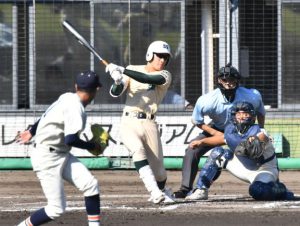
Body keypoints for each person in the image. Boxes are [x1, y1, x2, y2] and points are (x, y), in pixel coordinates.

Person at [15, 70, 103, 226]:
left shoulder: (67, 97)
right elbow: (71, 140)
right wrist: (92, 145)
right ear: (96, 90)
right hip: (46, 158)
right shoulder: (75, 107)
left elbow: (46, 115)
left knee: (91, 185)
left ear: (76, 86)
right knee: (56, 208)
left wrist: (31, 131)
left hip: (60, 153)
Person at [173, 64, 266, 199]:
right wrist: (216, 134)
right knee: (192, 150)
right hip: (217, 128)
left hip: (245, 129)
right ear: (218, 81)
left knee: (260, 150)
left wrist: (260, 130)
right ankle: (185, 189)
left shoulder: (252, 95)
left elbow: (260, 113)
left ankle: (268, 180)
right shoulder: (207, 100)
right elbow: (197, 121)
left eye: (232, 80)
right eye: (224, 80)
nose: (228, 83)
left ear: (238, 81)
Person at [105, 40, 174, 204]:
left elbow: (147, 78)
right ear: (150, 55)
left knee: (160, 173)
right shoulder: (132, 69)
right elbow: (116, 92)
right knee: (137, 151)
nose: (162, 60)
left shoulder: (165, 75)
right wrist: (117, 80)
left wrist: (123, 70)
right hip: (129, 121)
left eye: (166, 58)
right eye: (160, 56)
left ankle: (163, 189)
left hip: (150, 123)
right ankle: (154, 192)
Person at [186, 101, 294, 201]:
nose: (242, 117)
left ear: (252, 116)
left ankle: (281, 190)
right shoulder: (232, 131)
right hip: (244, 168)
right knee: (218, 153)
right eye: (239, 114)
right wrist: (202, 142)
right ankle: (201, 190)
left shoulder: (259, 130)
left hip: (264, 170)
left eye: (246, 114)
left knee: (257, 190)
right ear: (234, 116)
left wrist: (255, 140)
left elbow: (263, 137)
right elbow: (222, 139)